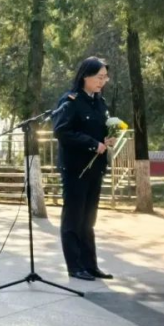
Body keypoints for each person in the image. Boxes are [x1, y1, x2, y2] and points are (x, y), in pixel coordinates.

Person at [53, 56, 115, 282]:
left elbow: (99, 130)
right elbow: (62, 131)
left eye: (105, 77)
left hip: (95, 168)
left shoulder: (100, 102)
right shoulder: (70, 101)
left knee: (89, 219)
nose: (103, 81)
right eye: (99, 77)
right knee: (73, 218)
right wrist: (92, 144)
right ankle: (75, 266)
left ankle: (90, 265)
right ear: (85, 76)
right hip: (75, 169)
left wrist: (107, 140)